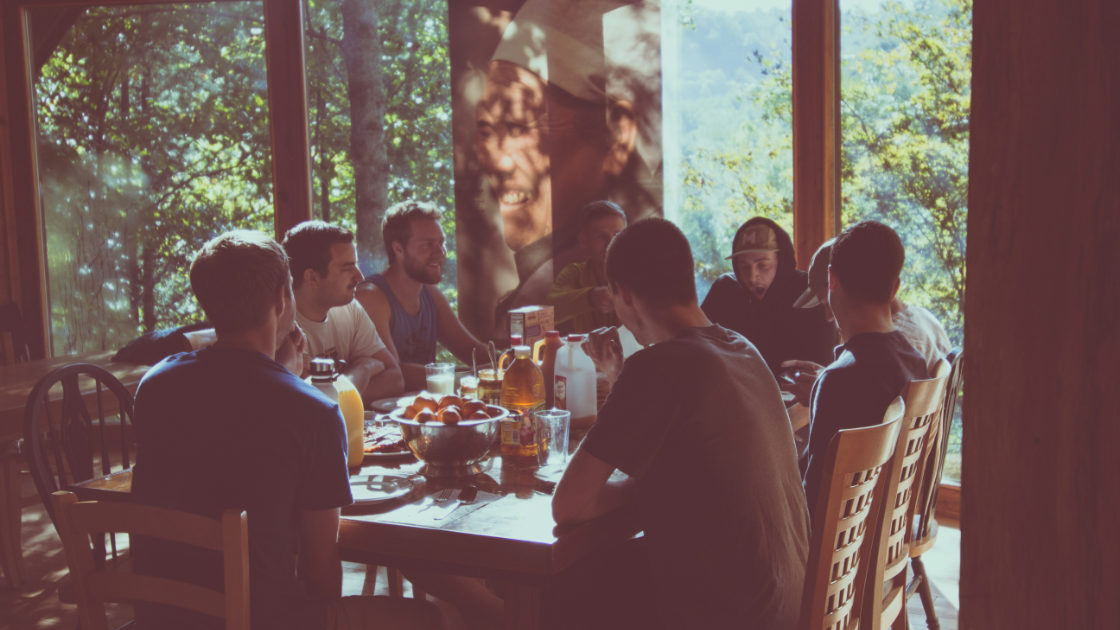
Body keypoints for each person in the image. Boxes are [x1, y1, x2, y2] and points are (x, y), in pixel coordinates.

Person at [130, 230, 442, 630]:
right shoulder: (313, 411)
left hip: (162, 616)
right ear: (282, 298)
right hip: (262, 620)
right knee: (432, 618)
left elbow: (232, 408)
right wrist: (286, 380)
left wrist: (282, 372)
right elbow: (322, 575)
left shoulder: (155, 386)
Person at [551, 218, 809, 629]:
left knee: (561, 592)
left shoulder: (658, 367)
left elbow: (568, 506)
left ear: (624, 294)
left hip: (732, 617)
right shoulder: (742, 348)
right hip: (789, 605)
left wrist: (643, 485)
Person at [460, 0, 662, 339]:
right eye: (486, 130)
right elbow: (554, 304)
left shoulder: (644, 275)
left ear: (616, 135)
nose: (495, 162)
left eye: (518, 125)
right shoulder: (566, 276)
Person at [798, 221, 929, 519]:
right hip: (883, 532)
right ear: (895, 288)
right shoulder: (916, 362)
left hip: (835, 546)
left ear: (831, 280)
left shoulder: (837, 381)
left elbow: (812, 502)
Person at [783, 237, 953, 405]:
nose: (828, 317)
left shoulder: (901, 343)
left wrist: (823, 391)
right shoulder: (921, 318)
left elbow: (879, 407)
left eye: (828, 303)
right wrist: (826, 379)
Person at [356, 201, 488, 391]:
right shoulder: (371, 297)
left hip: (427, 406)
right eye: (428, 244)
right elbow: (394, 373)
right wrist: (469, 377)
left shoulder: (430, 293)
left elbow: (471, 351)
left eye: (441, 243)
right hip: (383, 410)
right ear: (398, 249)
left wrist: (511, 361)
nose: (440, 252)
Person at [282, 220, 404, 402]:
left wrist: (337, 392)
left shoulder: (349, 308)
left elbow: (395, 379)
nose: (360, 276)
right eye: (347, 268)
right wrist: (363, 369)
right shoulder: (281, 325)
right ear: (312, 278)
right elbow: (311, 404)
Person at [701, 216, 835, 374]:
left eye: (763, 265)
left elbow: (823, 367)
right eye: (744, 266)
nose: (752, 277)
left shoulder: (809, 294)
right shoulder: (725, 292)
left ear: (781, 261)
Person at [545, 200, 627, 333]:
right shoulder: (575, 273)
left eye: (617, 235)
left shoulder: (640, 272)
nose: (611, 243)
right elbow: (549, 312)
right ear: (584, 240)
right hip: (588, 346)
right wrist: (590, 298)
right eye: (601, 237)